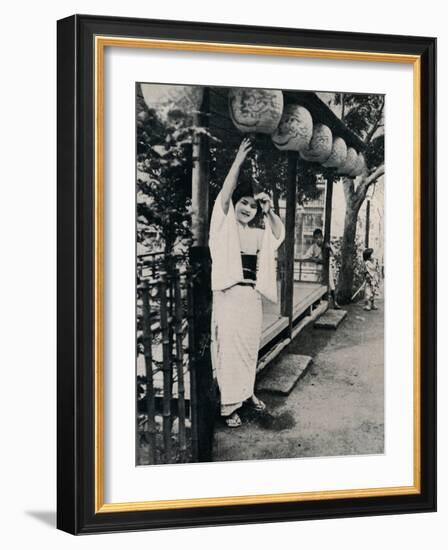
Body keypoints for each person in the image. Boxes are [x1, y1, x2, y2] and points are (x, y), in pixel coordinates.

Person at [209, 138, 285, 428]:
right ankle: (229, 407)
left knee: (249, 348)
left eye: (252, 206)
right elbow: (223, 197)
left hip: (251, 297)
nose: (247, 209)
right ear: (235, 204)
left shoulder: (255, 234)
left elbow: (278, 234)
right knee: (229, 348)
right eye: (244, 203)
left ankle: (246, 393)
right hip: (229, 295)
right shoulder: (223, 228)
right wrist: (238, 160)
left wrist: (268, 209)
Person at [303, 228, 340, 309]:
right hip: (319, 268)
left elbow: (335, 254)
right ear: (314, 238)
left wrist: (329, 247)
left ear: (322, 237)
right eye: (316, 238)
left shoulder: (326, 245)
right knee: (317, 285)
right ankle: (316, 303)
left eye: (319, 237)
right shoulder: (313, 247)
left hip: (327, 267)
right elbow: (306, 256)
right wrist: (314, 259)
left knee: (331, 284)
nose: (318, 239)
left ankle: (335, 302)